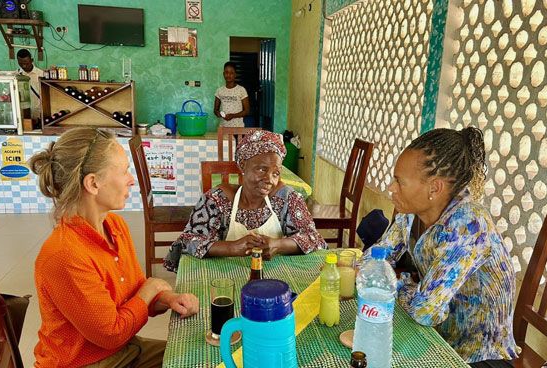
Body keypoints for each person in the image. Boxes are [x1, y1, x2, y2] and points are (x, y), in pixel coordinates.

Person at [29, 128, 199, 367]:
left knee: (199, 358)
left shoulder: (115, 226)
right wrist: (150, 290)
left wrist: (169, 298)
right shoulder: (64, 255)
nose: (131, 179)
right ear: (93, 183)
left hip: (126, 349)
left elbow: (134, 291)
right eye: (124, 171)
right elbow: (111, 333)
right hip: (82, 362)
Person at [366, 127, 519, 367]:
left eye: (399, 181)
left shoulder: (468, 224)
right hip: (437, 336)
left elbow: (424, 310)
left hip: (477, 355)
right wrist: (388, 277)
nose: (391, 187)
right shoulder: (410, 215)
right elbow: (374, 258)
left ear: (434, 188)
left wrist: (397, 281)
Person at [164, 130, 326, 271]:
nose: (269, 179)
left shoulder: (286, 198)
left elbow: (313, 238)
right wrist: (232, 247)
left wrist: (278, 245)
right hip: (224, 277)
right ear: (243, 165)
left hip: (275, 279)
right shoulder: (217, 200)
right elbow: (188, 241)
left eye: (275, 173)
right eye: (261, 169)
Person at [213, 61, 250, 128]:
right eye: (226, 72)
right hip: (223, 127)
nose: (228, 75)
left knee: (237, 139)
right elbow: (215, 110)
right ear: (223, 74)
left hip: (238, 128)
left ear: (235, 75)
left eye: (231, 73)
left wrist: (233, 116)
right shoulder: (219, 91)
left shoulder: (241, 90)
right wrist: (218, 113)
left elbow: (247, 111)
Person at [16, 48, 44, 121]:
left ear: (32, 60)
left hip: (40, 113)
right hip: (23, 114)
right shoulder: (16, 75)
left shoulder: (41, 74)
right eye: (21, 63)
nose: (24, 66)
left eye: (26, 63)